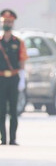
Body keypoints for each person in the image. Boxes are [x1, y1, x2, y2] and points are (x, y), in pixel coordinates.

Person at [0, 8, 27, 145]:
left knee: (13, 110)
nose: (7, 24)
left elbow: (22, 60)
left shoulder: (18, 42)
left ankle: (13, 138)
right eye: (5, 21)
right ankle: (3, 139)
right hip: (1, 79)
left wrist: (22, 78)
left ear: (13, 23)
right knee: (1, 110)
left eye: (10, 22)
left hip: (14, 78)